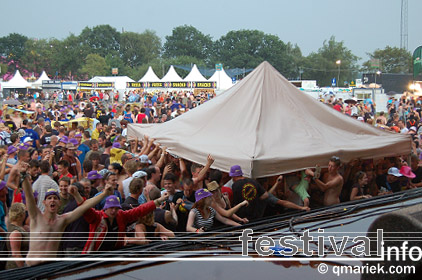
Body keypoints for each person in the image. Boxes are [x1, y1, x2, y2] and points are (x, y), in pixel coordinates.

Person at [22, 172, 115, 266]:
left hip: (48, 269)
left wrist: (104, 194)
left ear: (59, 203)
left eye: (55, 198)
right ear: (44, 202)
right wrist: (24, 175)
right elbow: (29, 195)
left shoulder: (62, 220)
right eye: (49, 198)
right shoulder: (36, 217)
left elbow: (85, 206)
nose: (52, 200)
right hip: (31, 267)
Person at [74, 187, 169, 254]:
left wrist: (159, 200)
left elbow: (139, 210)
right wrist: (76, 194)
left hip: (114, 255)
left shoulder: (121, 216)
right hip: (94, 256)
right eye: (111, 208)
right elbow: (85, 209)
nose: (114, 211)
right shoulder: (97, 217)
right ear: (105, 208)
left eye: (116, 208)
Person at [6, 203, 29, 269]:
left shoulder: (18, 228)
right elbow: (16, 254)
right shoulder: (16, 232)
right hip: (15, 267)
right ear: (22, 214)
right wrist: (23, 269)